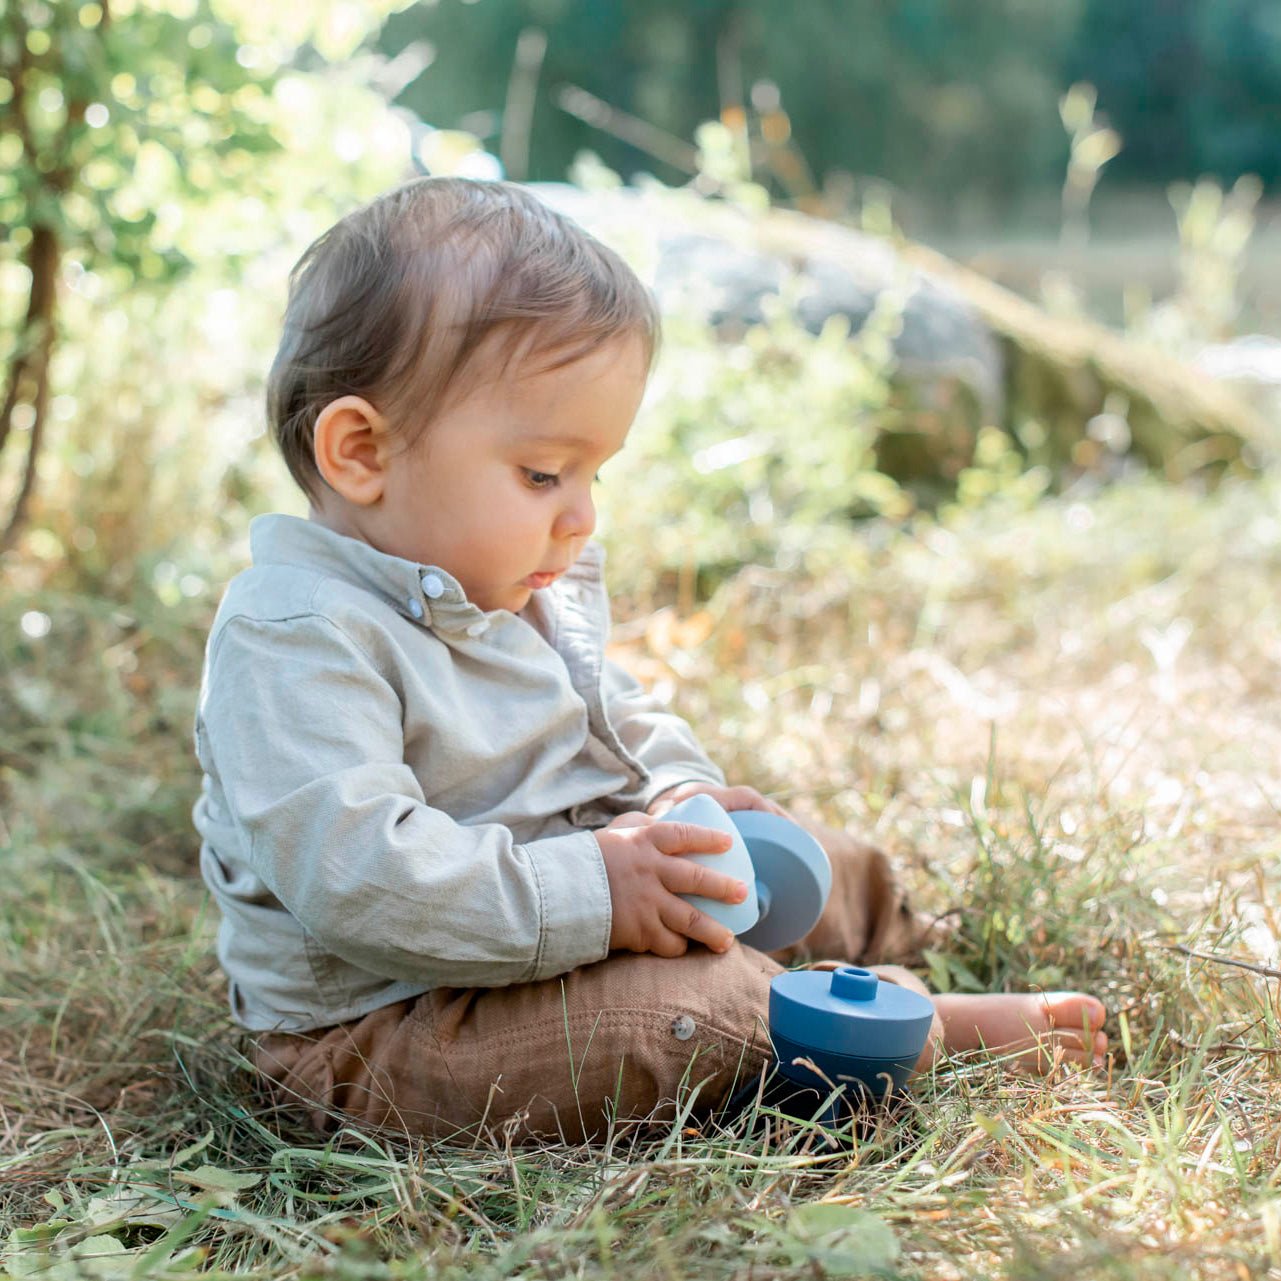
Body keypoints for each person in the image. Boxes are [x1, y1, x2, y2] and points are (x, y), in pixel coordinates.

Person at [193, 177, 1107, 1145]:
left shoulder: (506, 581)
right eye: (544, 474)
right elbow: (362, 880)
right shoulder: (295, 636)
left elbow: (618, 716)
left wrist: (678, 802)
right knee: (686, 1013)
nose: (581, 514)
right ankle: (901, 1025)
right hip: (393, 1031)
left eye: (595, 474)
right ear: (361, 453)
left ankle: (907, 930)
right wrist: (602, 890)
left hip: (565, 918)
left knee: (799, 863)